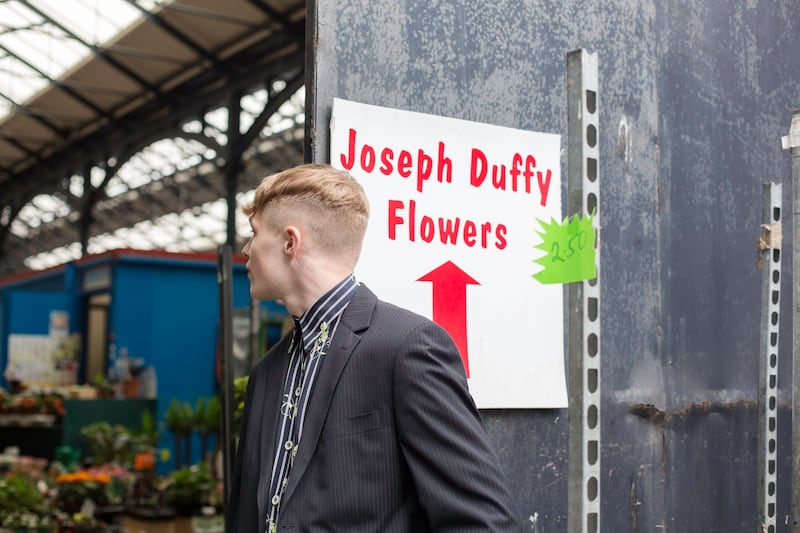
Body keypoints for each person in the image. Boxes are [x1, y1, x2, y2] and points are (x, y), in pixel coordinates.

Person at [227, 163, 522, 532]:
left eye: (254, 234)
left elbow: (482, 522)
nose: (246, 250)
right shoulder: (267, 371)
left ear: (291, 241)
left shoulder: (407, 346)